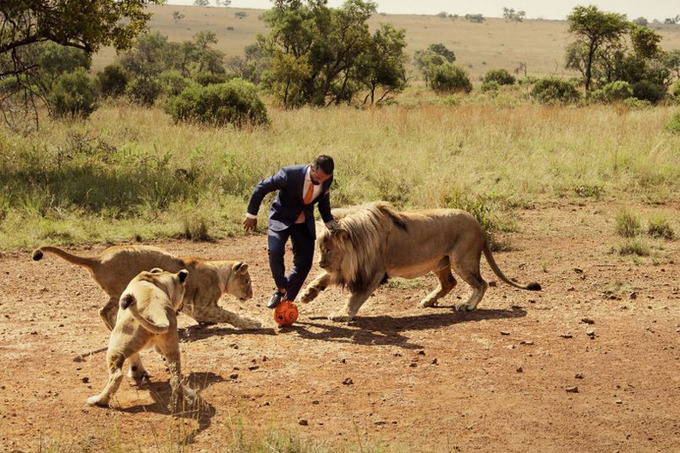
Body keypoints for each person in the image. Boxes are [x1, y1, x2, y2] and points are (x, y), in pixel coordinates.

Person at [244, 155, 338, 309]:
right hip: (280, 218)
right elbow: (262, 187)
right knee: (275, 251)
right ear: (312, 167)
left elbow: (323, 203)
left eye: (325, 178)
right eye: (318, 177)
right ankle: (281, 289)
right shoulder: (289, 174)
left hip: (303, 223)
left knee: (305, 263)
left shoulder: (327, 179)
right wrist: (251, 215)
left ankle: (287, 299)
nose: (321, 181)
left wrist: (331, 223)